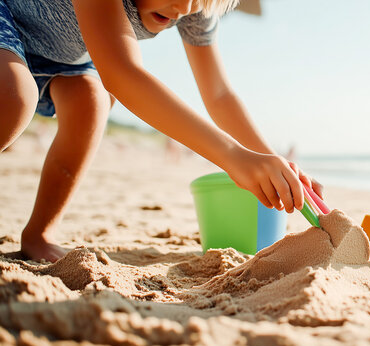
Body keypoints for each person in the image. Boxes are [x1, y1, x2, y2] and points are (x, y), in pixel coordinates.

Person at [0, 0, 321, 262]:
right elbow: (123, 74)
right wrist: (233, 157)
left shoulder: (190, 6)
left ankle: (40, 233)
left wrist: (270, 161)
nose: (182, 7)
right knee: (13, 97)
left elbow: (219, 94)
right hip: (9, 17)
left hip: (64, 57)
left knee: (92, 104)